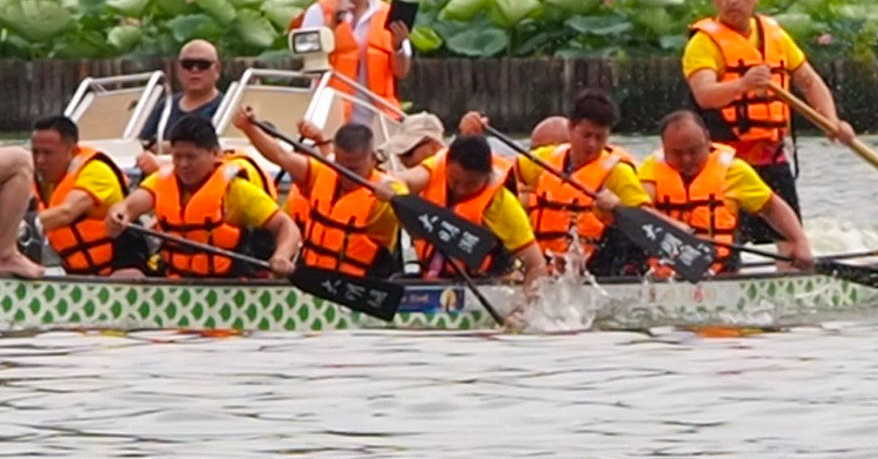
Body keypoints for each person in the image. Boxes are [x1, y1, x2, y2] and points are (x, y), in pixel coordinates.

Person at [683, 0, 854, 228]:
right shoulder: (703, 43)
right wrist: (743, 84)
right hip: (726, 163)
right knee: (729, 242)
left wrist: (831, 121)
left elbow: (809, 82)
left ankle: (793, 265)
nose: (731, 0)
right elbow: (704, 94)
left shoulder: (775, 35)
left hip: (772, 157)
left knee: (790, 239)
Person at [464, 91, 644, 272]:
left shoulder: (619, 173)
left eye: (600, 137)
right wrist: (472, 137)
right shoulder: (545, 159)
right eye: (586, 135)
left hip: (589, 271)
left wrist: (619, 212)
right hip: (540, 267)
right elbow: (495, 172)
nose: (592, 144)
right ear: (571, 128)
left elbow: (645, 226)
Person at [107, 116, 302, 279]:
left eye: (191, 157)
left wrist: (282, 256)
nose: (183, 165)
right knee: (126, 275)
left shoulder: (236, 191)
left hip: (227, 284)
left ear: (216, 154)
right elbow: (128, 207)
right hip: (173, 280)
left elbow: (287, 226)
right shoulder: (162, 180)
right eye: (177, 157)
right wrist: (118, 214)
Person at [633, 111, 814, 274]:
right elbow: (639, 209)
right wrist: (673, 226)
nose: (686, 159)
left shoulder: (733, 171)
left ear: (708, 140)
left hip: (721, 270)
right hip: (663, 273)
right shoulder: (652, 169)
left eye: (693, 151)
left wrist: (800, 241)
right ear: (664, 147)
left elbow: (771, 207)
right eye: (677, 153)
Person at [236, 110, 400, 280]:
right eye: (340, 166)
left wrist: (394, 194)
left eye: (354, 169)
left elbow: (403, 188)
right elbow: (280, 155)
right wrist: (249, 128)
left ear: (373, 159)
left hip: (355, 287)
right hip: (313, 281)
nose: (346, 175)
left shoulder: (387, 193)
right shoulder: (320, 174)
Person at [389, 134, 547, 282]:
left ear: (487, 175)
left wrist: (524, 309)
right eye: (454, 181)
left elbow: (536, 265)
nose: (461, 190)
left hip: (481, 283)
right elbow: (405, 181)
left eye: (471, 184)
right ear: (447, 165)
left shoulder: (502, 205)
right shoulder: (435, 167)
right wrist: (393, 188)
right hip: (430, 278)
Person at [293, 0, 412, 118]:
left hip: (378, 115)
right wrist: (333, 23)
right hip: (330, 112)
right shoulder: (319, 10)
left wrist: (398, 46)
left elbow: (402, 71)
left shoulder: (389, 13)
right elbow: (306, 60)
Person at [28, 115, 141, 277]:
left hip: (121, 270)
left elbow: (66, 212)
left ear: (72, 151)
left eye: (48, 153)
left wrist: (18, 226)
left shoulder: (96, 171)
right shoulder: (36, 180)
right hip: (77, 276)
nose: (40, 160)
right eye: (35, 152)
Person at [138, 40, 227, 146]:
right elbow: (142, 144)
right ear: (178, 69)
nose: (195, 70)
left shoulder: (226, 109)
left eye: (203, 65)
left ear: (217, 70)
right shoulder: (165, 106)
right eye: (188, 64)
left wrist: (164, 147)